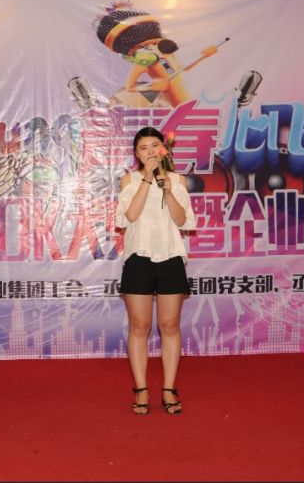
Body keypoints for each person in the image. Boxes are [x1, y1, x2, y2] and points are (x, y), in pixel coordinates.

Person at [115, 127, 196, 415]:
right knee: (139, 326)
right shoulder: (130, 180)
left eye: (154, 146)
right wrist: (147, 179)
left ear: (164, 149)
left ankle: (169, 388)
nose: (150, 152)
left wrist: (167, 188)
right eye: (143, 148)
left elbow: (183, 220)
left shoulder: (177, 180)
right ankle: (141, 389)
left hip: (170, 257)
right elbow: (129, 216)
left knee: (169, 325)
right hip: (139, 259)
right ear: (137, 155)